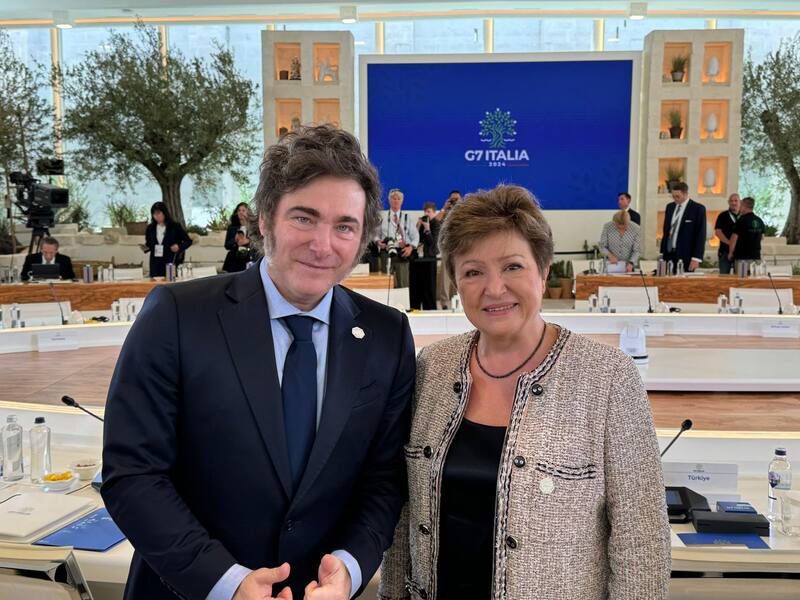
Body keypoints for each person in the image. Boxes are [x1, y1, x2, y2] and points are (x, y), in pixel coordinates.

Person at [102, 125, 415, 600]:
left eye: (344, 226)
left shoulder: (386, 336)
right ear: (266, 219)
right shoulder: (178, 316)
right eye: (304, 218)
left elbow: (384, 481)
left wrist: (349, 569)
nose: (323, 245)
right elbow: (133, 474)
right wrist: (225, 583)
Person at [380, 185, 670, 600]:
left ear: (544, 270)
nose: (494, 288)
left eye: (512, 266)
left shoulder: (607, 378)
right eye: (473, 272)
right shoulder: (431, 368)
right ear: (456, 282)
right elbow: (404, 520)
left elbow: (642, 546)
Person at [375, 188, 419, 288]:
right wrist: (378, 242)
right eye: (394, 198)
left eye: (398, 199)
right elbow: (374, 233)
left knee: (403, 283)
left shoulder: (406, 218)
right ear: (389, 200)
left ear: (402, 201)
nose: (396, 201)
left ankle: (402, 298)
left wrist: (410, 247)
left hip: (402, 252)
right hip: (387, 252)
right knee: (385, 283)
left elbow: (415, 236)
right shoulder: (383, 216)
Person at [659, 182, 707, 272]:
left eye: (677, 196)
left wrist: (696, 258)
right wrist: (662, 253)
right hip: (669, 254)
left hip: (687, 255)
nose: (675, 199)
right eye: (673, 196)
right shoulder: (670, 207)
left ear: (686, 194)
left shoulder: (698, 209)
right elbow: (665, 231)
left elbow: (701, 235)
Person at [143, 201, 192, 277]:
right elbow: (149, 243)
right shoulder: (150, 228)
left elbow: (188, 241)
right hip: (155, 263)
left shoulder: (175, 227)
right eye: (154, 214)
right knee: (154, 282)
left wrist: (178, 247)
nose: (156, 216)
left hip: (170, 261)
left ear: (164, 213)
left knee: (170, 281)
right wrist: (145, 247)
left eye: (158, 213)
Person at [410, 202, 440, 309]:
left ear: (434, 213)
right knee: (419, 286)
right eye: (425, 211)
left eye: (429, 212)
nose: (426, 214)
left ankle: (430, 308)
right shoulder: (422, 224)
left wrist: (427, 229)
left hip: (430, 258)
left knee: (429, 286)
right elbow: (417, 240)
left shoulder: (436, 224)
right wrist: (418, 226)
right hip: (420, 259)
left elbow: (432, 242)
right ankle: (417, 306)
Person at [728, 196, 765, 264]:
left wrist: (730, 253)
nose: (739, 207)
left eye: (741, 205)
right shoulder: (759, 220)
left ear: (744, 206)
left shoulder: (741, 220)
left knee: (742, 271)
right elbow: (762, 237)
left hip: (742, 258)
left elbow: (734, 238)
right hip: (756, 257)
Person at [223, 202, 256, 273]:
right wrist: (235, 240)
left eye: (243, 210)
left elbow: (259, 244)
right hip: (234, 260)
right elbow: (227, 245)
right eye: (239, 210)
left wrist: (248, 241)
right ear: (236, 213)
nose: (241, 212)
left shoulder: (254, 227)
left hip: (249, 259)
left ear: (248, 213)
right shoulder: (232, 227)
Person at [715, 193, 740, 274]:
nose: (733, 203)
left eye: (736, 201)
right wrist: (730, 243)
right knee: (723, 276)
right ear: (728, 202)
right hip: (724, 251)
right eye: (731, 201)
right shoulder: (722, 215)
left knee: (740, 276)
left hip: (741, 252)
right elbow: (718, 232)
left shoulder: (744, 216)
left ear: (740, 202)